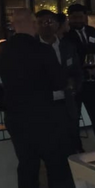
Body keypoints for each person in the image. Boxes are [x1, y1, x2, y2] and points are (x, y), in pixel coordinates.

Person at [0, 10, 80, 188]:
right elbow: (58, 82)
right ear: (33, 25)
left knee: (27, 166)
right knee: (56, 164)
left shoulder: (2, 50)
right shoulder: (42, 50)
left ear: (13, 26)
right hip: (46, 114)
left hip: (17, 115)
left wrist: (4, 97)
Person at [36, 10, 84, 154]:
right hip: (44, 105)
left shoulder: (67, 46)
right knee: (50, 147)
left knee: (71, 143)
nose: (45, 26)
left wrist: (74, 87)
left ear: (57, 24)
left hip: (66, 103)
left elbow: (77, 71)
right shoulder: (32, 48)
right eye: (41, 22)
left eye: (49, 22)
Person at [66, 4, 95, 150]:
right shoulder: (66, 35)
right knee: (74, 116)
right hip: (76, 81)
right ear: (69, 18)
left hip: (92, 81)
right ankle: (76, 146)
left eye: (80, 17)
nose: (78, 20)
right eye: (74, 17)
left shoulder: (91, 31)